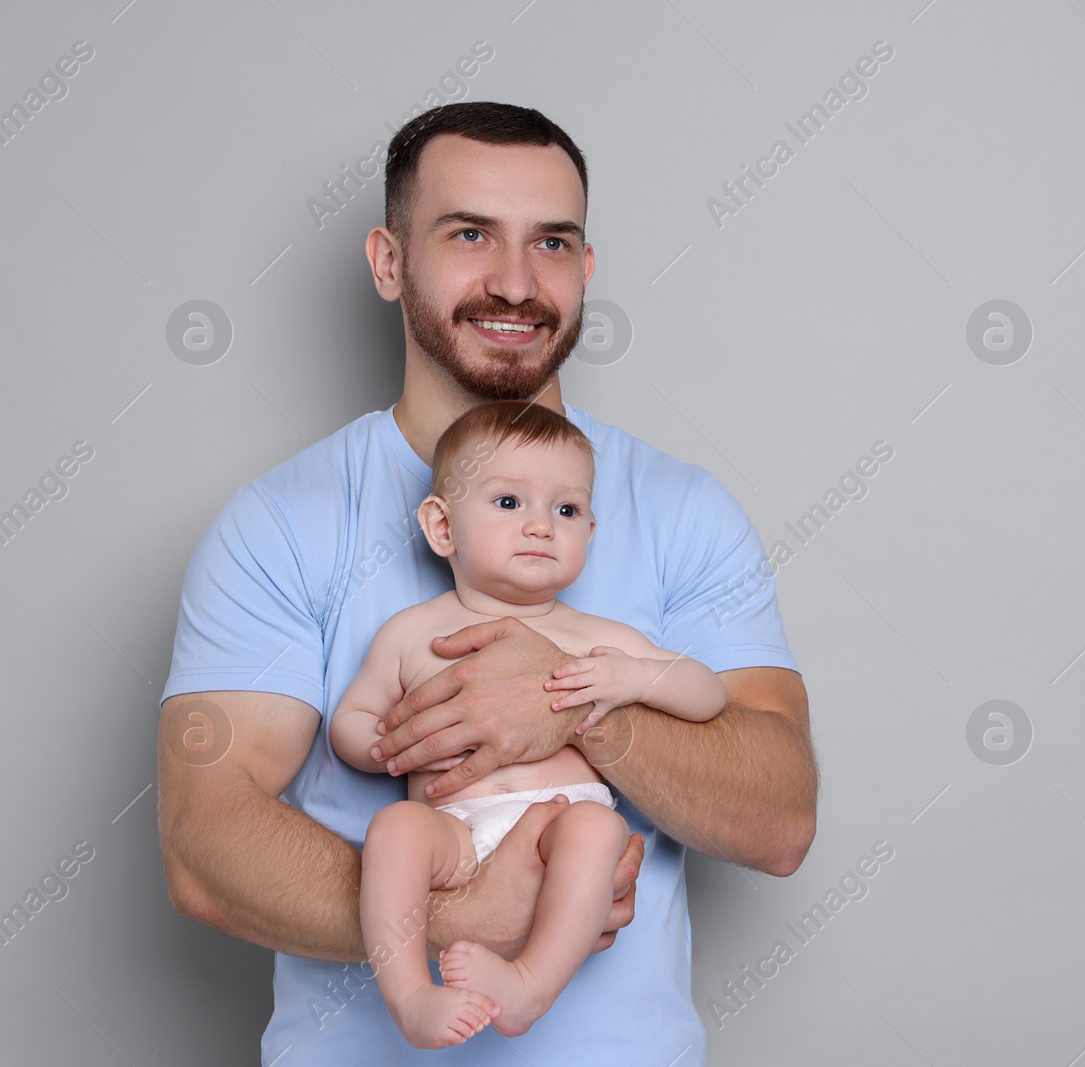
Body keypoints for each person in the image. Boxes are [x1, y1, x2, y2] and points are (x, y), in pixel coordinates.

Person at [157, 100, 816, 1065]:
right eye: (470, 234)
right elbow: (205, 850)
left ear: (586, 269)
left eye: (551, 241)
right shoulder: (279, 523)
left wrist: (576, 707)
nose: (515, 281)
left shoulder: (684, 507)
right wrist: (465, 913)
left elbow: (781, 817)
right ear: (388, 262)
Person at [331, 401, 725, 1048]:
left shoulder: (596, 637)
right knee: (394, 828)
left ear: (591, 533)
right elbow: (352, 718)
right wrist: (385, 746)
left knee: (598, 827)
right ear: (442, 525)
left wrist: (630, 677)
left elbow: (706, 691)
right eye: (509, 502)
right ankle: (410, 996)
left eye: (566, 510)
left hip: (558, 830)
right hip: (453, 832)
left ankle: (529, 983)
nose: (541, 526)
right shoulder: (410, 633)